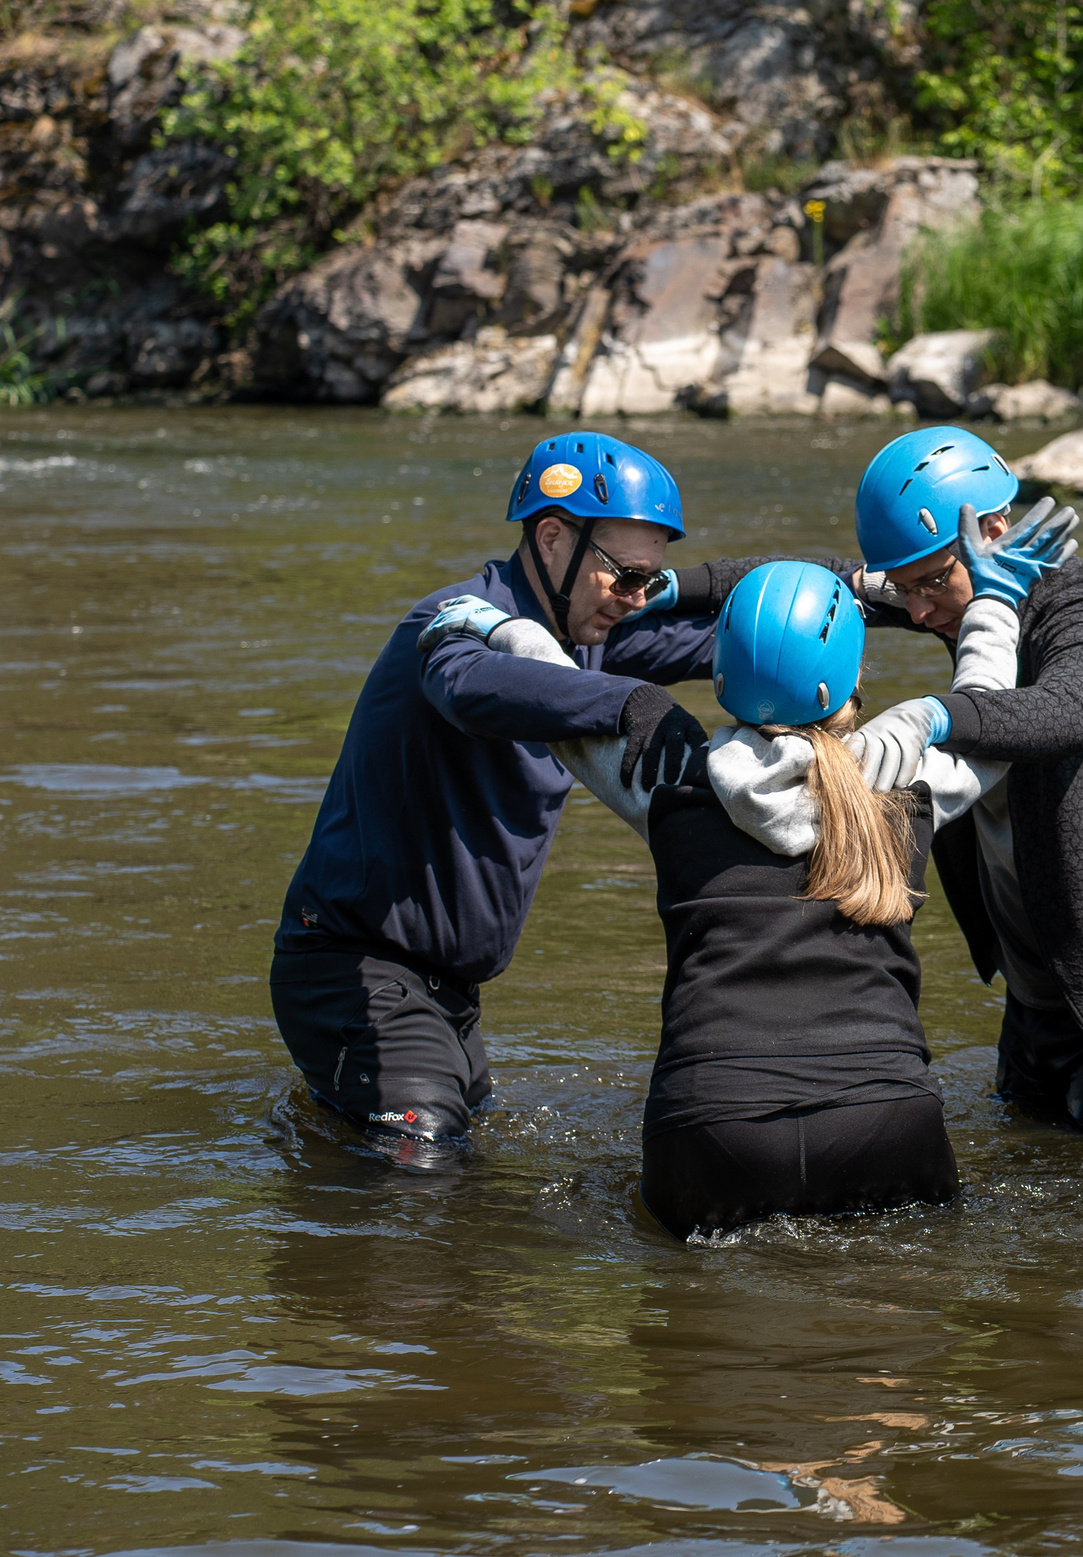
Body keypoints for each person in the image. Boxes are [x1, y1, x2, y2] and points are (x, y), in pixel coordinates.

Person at [413, 541, 1051, 1237]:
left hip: (712, 1127)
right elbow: (987, 706)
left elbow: (564, 704)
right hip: (888, 1120)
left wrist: (506, 628)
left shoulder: (669, 774)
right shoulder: (905, 779)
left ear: (720, 671)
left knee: (700, 1334)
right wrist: (991, 600)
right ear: (844, 678)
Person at [270, 432, 756, 1173]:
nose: (632, 600)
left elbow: (752, 632)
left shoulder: (592, 639)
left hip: (448, 993)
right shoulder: (454, 619)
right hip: (353, 965)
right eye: (623, 576)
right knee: (423, 1184)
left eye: (646, 582)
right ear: (553, 537)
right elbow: (469, 689)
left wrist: (880, 592)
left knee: (466, 1184)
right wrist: (628, 702)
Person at [852, 427, 1083, 1141]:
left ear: (993, 532)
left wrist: (935, 713)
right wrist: (671, 588)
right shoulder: (958, 600)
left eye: (929, 585)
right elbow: (816, 583)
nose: (916, 611)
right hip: (1039, 1000)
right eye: (903, 589)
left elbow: (1067, 714)